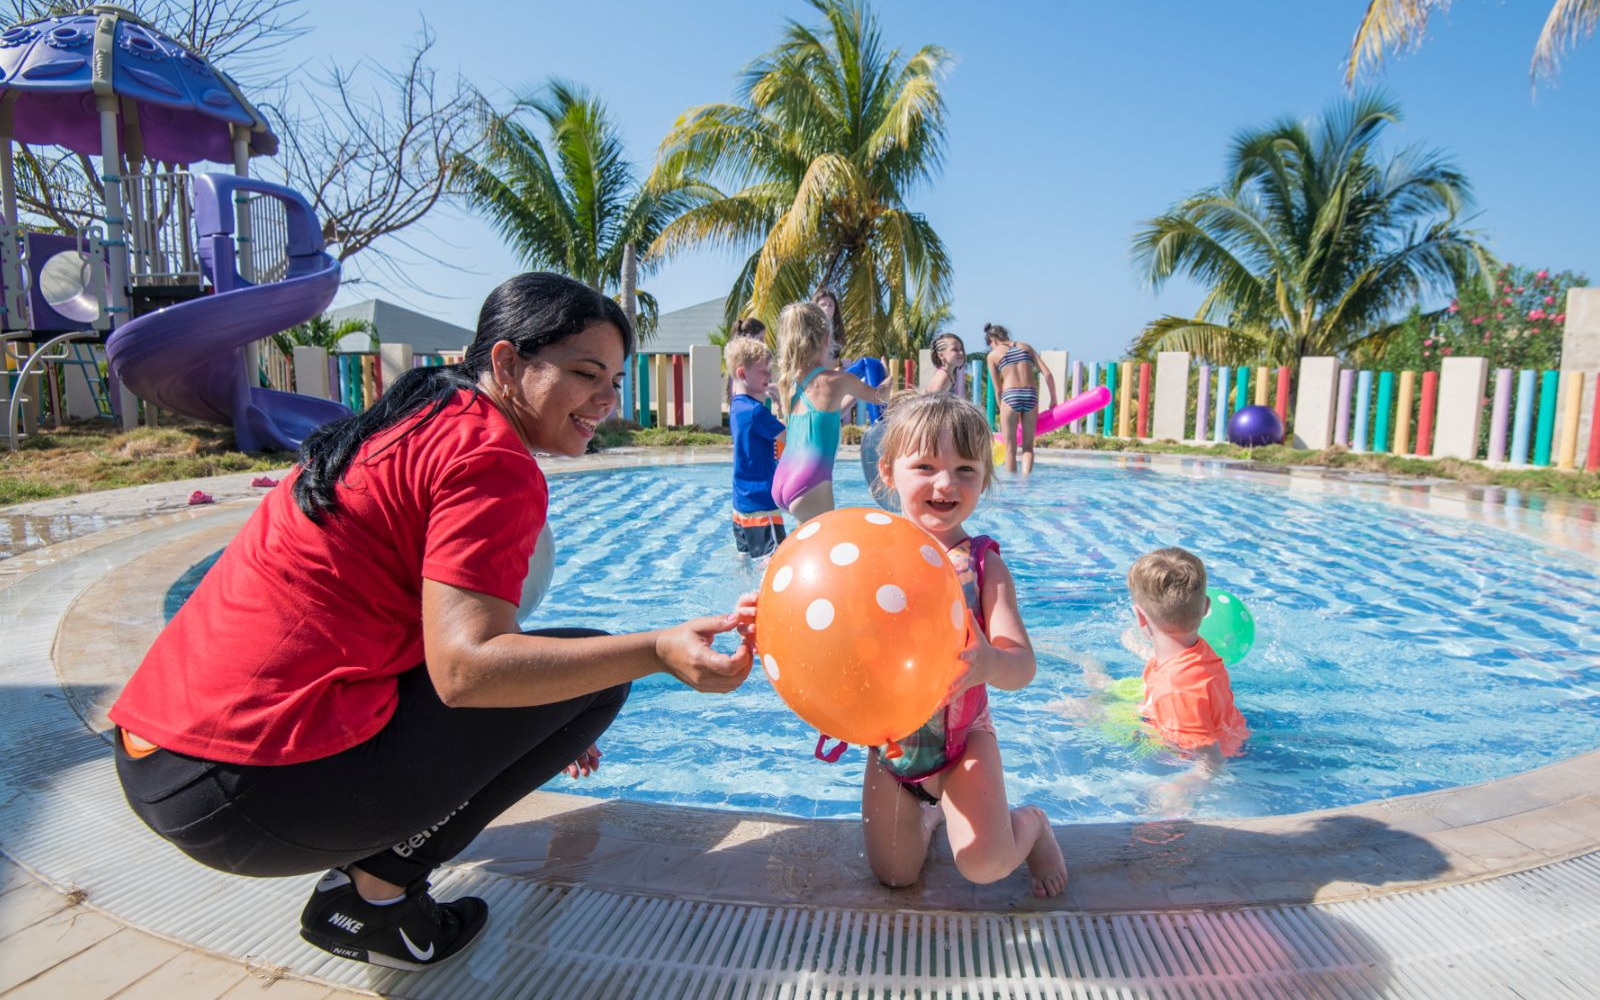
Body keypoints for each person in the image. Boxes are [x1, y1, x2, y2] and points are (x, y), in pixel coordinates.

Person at [108, 272, 755, 972]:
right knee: (603, 671)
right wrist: (658, 650)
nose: (607, 399)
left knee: (561, 669)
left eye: (615, 379)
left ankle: (371, 878)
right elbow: (466, 671)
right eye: (584, 373)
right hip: (246, 795)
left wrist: (527, 716)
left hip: (155, 755)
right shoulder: (490, 456)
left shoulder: (410, 420)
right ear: (507, 363)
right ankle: (375, 898)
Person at [861, 392, 1068, 898]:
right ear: (889, 472)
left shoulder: (983, 568)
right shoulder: (869, 560)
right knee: (895, 877)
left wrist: (990, 661)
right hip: (891, 743)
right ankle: (930, 817)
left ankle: (1033, 825)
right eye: (926, 466)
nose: (946, 484)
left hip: (963, 740)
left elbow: (1022, 667)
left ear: (985, 478)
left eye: (966, 469)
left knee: (984, 863)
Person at [1124, 547, 1250, 809]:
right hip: (1224, 730)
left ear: (1139, 617)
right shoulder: (1193, 653)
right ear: (1206, 607)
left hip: (1197, 753)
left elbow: (1211, 761)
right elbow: (1174, 666)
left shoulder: (1178, 691)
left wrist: (1180, 787)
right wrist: (1139, 649)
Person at [770, 301, 888, 521]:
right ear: (826, 340)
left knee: (803, 544)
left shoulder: (790, 383)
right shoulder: (837, 380)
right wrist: (887, 376)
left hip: (784, 477)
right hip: (810, 481)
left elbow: (824, 417)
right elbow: (880, 395)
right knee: (823, 545)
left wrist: (851, 398)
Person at [726, 336, 787, 559]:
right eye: (763, 372)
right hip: (762, 505)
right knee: (776, 562)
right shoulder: (756, 412)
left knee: (745, 562)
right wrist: (783, 403)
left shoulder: (737, 406)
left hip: (741, 504)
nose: (769, 376)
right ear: (742, 373)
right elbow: (791, 438)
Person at [983, 323, 1057, 476]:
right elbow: (1047, 374)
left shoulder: (992, 356)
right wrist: (1053, 399)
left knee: (1010, 448)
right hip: (1030, 394)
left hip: (1010, 396)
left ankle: (1012, 489)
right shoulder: (1026, 347)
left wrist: (1002, 408)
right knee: (1028, 447)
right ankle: (1025, 481)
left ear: (992, 340)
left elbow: (998, 390)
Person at [925, 332, 968, 398]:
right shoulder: (943, 376)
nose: (961, 353)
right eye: (955, 350)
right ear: (941, 355)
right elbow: (934, 401)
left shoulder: (946, 374)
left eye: (961, 349)